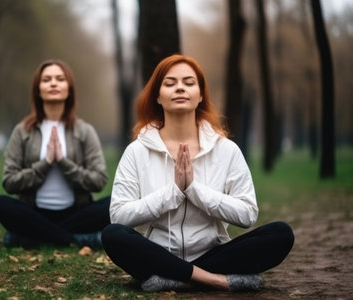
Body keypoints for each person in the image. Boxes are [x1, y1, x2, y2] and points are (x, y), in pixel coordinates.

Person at [101, 54, 294, 292]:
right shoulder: (137, 151)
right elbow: (118, 217)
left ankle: (173, 279)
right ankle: (214, 280)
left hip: (213, 253)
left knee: (280, 234)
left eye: (189, 83)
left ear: (200, 95)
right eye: (170, 83)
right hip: (158, 253)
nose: (180, 87)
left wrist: (194, 190)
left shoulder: (226, 150)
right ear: (158, 97)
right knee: (113, 235)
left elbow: (248, 214)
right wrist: (173, 193)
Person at [0, 59, 110, 249]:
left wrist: (63, 162)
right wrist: (45, 163)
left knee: (113, 204)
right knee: (0, 204)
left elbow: (99, 180)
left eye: (60, 79)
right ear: (38, 90)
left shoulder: (85, 131)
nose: (53, 83)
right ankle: (74, 239)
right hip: (34, 212)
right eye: (46, 79)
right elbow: (9, 182)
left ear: (69, 89)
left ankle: (33, 236)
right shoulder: (22, 131)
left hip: (76, 212)